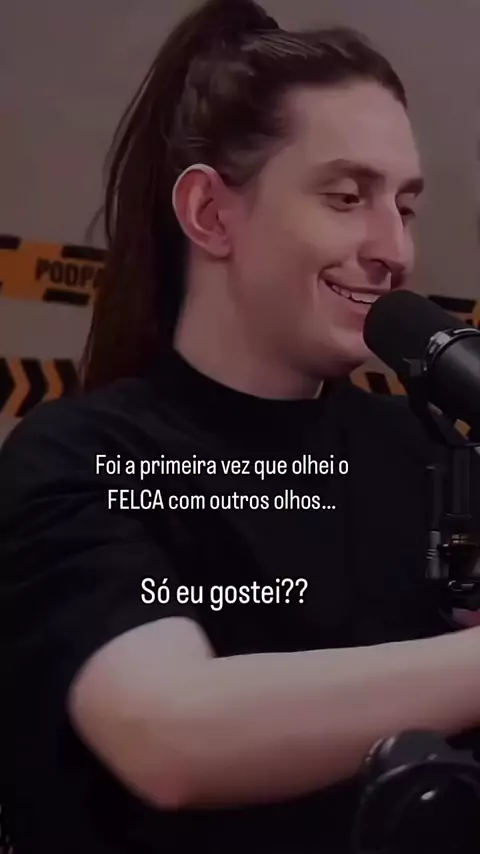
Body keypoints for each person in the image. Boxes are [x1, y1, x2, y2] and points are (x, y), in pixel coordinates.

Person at [1, 1, 479, 852]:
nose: (393, 249)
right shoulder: (80, 458)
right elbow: (168, 734)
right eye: (346, 197)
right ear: (211, 214)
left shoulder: (427, 453)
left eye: (405, 206)